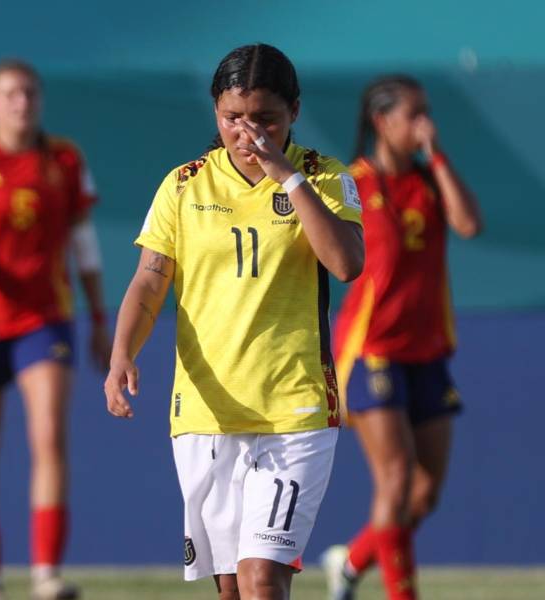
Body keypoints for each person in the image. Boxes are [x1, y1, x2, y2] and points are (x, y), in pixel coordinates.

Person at [104, 43, 364, 600]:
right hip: (206, 409)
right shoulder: (184, 185)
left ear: (294, 110)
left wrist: (285, 175)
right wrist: (122, 351)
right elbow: (150, 280)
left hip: (294, 407)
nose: (249, 134)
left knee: (262, 577)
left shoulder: (322, 176)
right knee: (229, 586)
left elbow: (346, 264)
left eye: (266, 119)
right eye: (233, 120)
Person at [0, 60, 109, 600]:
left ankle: (46, 573)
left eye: (29, 93)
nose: (21, 103)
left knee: (49, 437)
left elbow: (85, 247)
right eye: (9, 95)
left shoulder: (64, 159)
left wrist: (99, 318)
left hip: (45, 319)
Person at [320, 75, 482, 600]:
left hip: (427, 350)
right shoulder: (352, 182)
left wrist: (437, 157)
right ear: (381, 122)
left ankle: (350, 563)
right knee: (393, 481)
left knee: (423, 492)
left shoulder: (430, 181)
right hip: (371, 353)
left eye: (426, 113)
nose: (424, 124)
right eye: (413, 114)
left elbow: (469, 225)